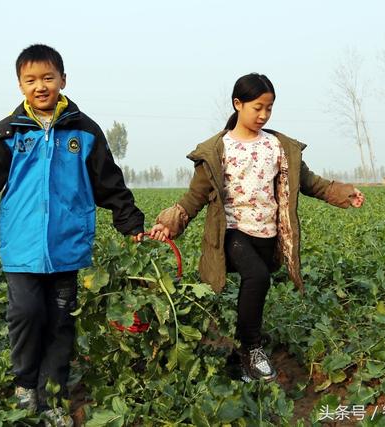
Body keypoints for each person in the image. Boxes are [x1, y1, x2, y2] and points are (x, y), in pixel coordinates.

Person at [0, 44, 144, 424]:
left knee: (61, 323)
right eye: (31, 80)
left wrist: (131, 223)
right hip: (22, 248)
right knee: (27, 314)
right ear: (20, 85)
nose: (41, 86)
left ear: (63, 80)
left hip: (67, 248)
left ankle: (52, 399)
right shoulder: (10, 132)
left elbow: (109, 184)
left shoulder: (85, 131)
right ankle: (24, 385)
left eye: (48, 78)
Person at [149, 73, 364, 383]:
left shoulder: (278, 146)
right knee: (257, 277)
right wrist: (168, 224)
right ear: (238, 104)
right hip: (233, 233)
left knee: (256, 291)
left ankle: (238, 361)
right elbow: (195, 196)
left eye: (270, 108)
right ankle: (252, 348)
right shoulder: (217, 150)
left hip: (268, 235)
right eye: (257, 107)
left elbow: (310, 183)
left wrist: (345, 193)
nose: (263, 115)